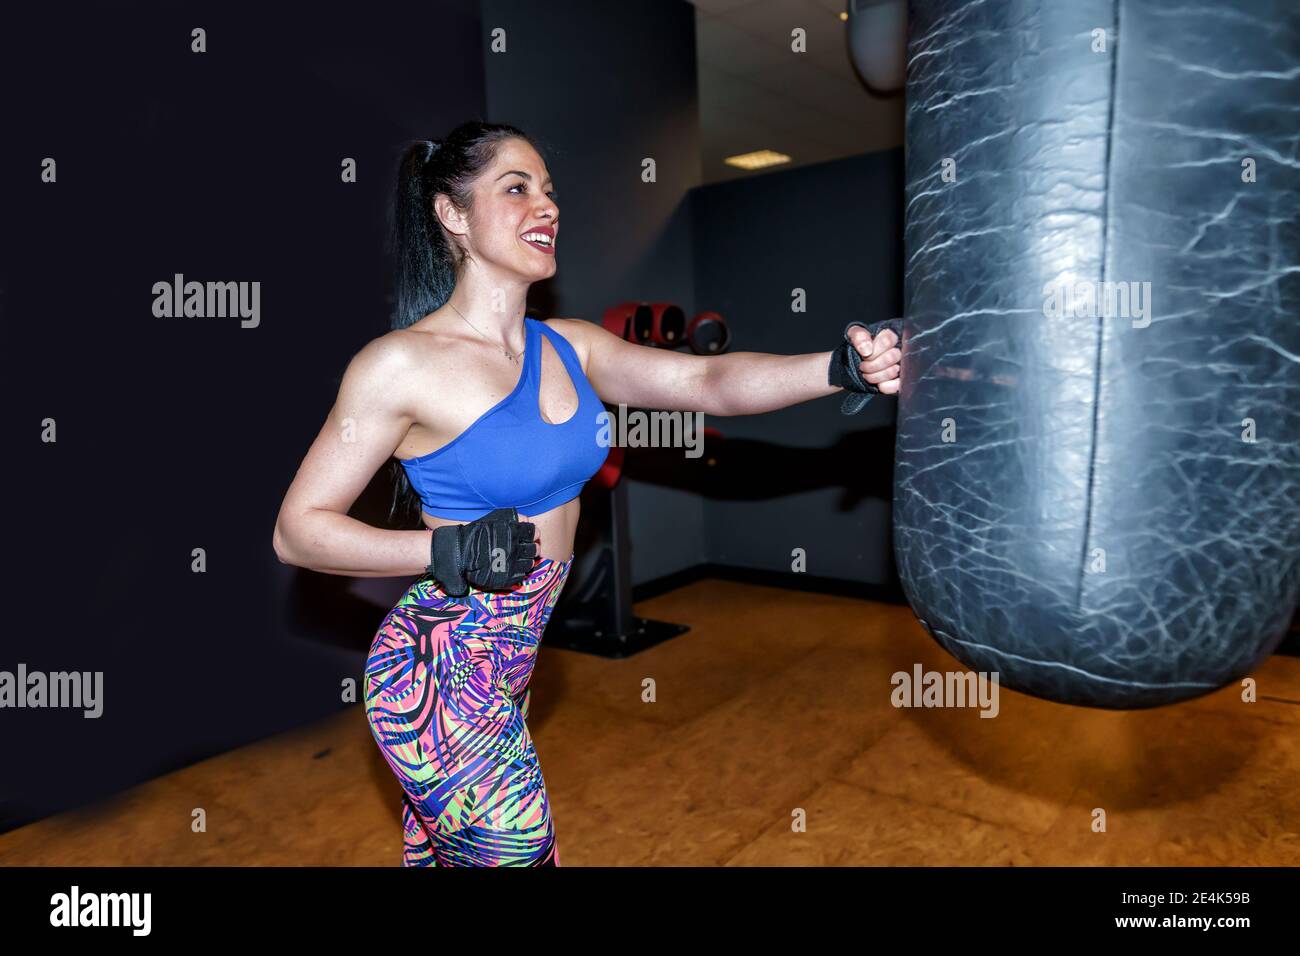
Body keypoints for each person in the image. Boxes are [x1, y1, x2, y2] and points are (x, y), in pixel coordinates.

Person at [271, 120, 903, 866]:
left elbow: (706, 382)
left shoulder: (568, 345)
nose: (547, 206)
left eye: (550, 191)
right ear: (452, 214)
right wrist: (448, 547)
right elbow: (298, 531)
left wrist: (837, 369)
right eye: (517, 188)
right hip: (439, 671)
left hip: (510, 662)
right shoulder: (399, 366)